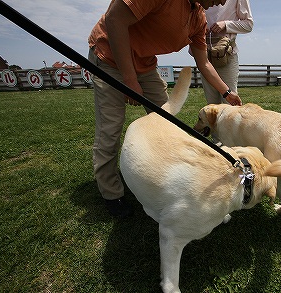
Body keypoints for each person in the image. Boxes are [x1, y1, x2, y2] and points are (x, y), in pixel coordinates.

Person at [88, 0, 242, 217]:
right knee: (110, 128)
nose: (223, 1)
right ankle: (111, 193)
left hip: (145, 64)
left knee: (167, 121)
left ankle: (166, 172)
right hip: (110, 57)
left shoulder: (198, 17)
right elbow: (115, 18)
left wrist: (227, 92)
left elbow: (204, 63)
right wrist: (129, 79)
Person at [201, 0, 253, 104]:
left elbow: (248, 24)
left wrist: (226, 24)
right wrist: (200, 27)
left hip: (227, 54)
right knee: (211, 104)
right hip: (204, 53)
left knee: (229, 103)